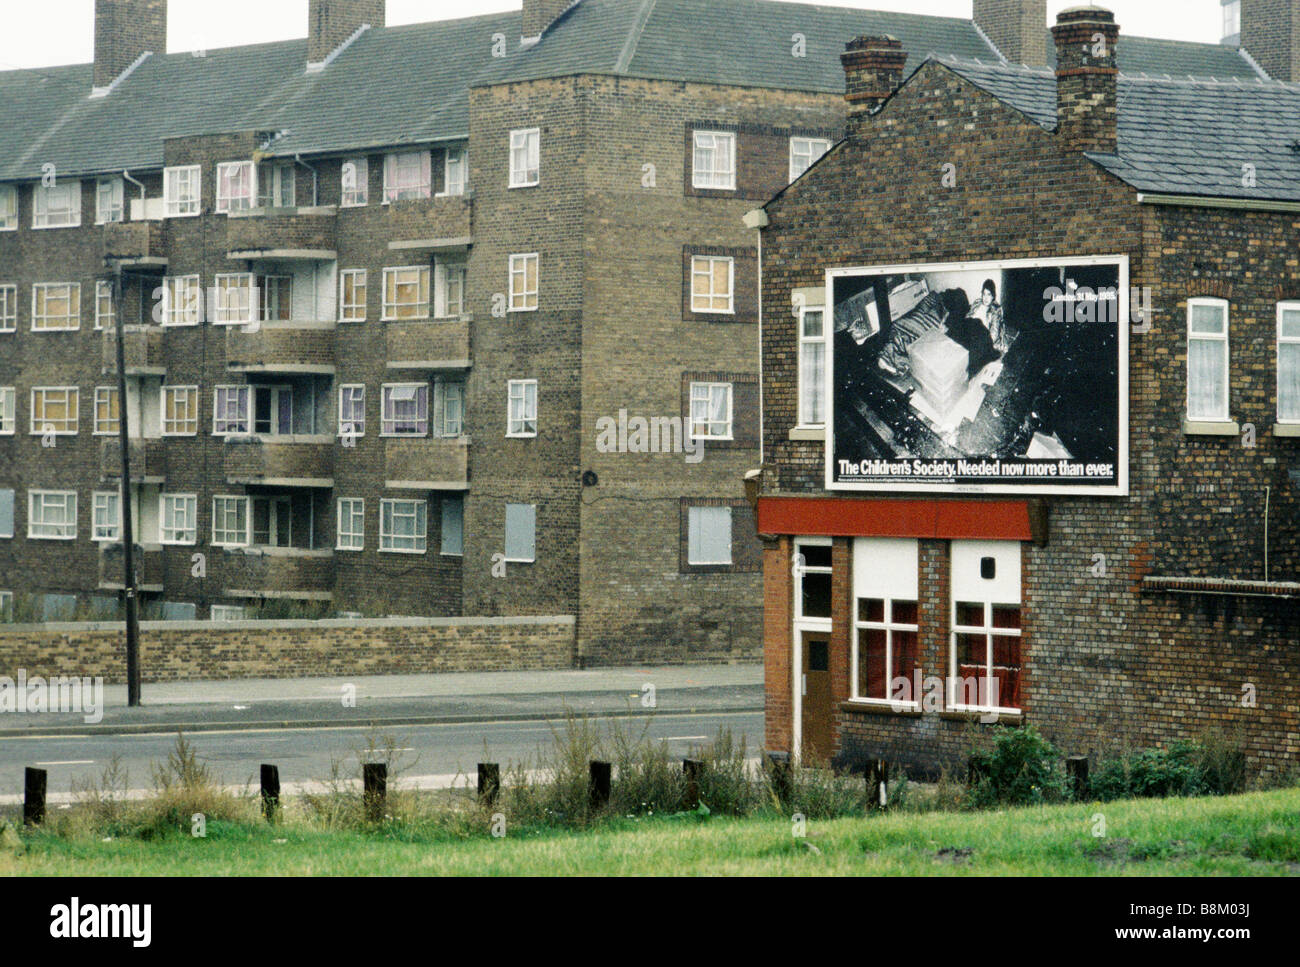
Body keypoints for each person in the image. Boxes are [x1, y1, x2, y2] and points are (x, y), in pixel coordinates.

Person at [967, 278, 1008, 353]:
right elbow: (968, 317)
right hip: (971, 331)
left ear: (993, 296)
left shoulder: (996, 310)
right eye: (984, 294)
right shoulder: (977, 302)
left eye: (989, 294)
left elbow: (993, 335)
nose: (985, 298)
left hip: (982, 337)